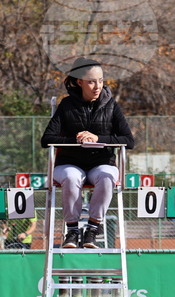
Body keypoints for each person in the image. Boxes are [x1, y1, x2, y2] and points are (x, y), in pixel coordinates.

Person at [41, 57, 135, 249]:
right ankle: (72, 231)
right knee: (71, 176)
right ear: (79, 82)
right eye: (91, 81)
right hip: (69, 164)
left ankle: (92, 229)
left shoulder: (111, 105)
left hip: (101, 164)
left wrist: (97, 138)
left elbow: (128, 140)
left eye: (101, 80)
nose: (97, 86)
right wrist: (77, 140)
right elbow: (47, 139)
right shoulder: (66, 105)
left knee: (108, 176)